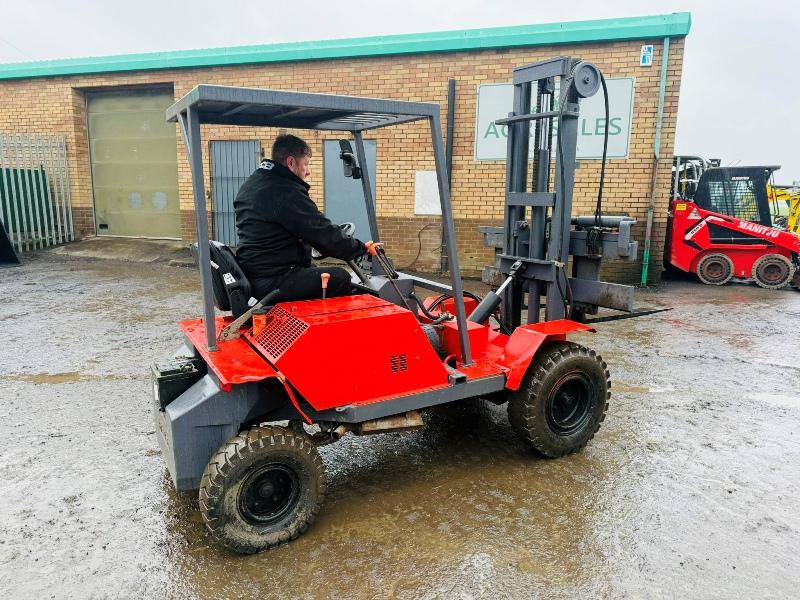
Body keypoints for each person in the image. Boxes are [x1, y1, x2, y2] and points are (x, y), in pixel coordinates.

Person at [234, 134, 380, 302]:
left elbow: (306, 230)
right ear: (291, 162)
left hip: (257, 273)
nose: (308, 171)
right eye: (306, 164)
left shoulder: (254, 183)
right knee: (341, 278)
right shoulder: (284, 191)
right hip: (273, 279)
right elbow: (320, 231)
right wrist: (360, 248)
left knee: (315, 271)